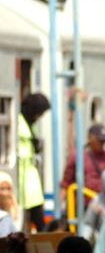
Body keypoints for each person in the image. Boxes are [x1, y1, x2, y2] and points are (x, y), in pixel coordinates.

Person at [18, 93, 50, 232]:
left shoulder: (29, 125)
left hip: (29, 177)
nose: (40, 117)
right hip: (24, 175)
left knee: (36, 215)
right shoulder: (20, 124)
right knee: (35, 217)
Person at [59, 123, 105, 199]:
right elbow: (66, 183)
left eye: (104, 141)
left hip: (103, 205)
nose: (102, 143)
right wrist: (60, 203)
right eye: (100, 140)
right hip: (81, 205)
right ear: (90, 138)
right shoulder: (78, 156)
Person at [0, 171, 19, 237]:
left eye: (8, 188)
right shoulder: (4, 218)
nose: (6, 193)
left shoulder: (15, 210)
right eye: (2, 188)